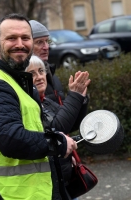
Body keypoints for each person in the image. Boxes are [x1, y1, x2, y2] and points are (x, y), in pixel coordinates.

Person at [0, 13, 77, 200]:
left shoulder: (16, 81)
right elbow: (11, 139)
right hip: (12, 194)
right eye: (11, 38)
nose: (20, 44)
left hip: (31, 192)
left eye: (25, 38)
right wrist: (58, 143)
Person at [25, 55, 91, 199]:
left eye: (41, 71)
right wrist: (75, 96)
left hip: (63, 181)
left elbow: (70, 124)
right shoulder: (30, 107)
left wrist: (82, 100)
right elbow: (56, 128)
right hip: (49, 185)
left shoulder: (46, 101)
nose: (39, 77)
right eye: (32, 74)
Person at [29, 20, 67, 105]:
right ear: (28, 46)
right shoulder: (27, 81)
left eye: (47, 41)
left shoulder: (52, 74)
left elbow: (65, 114)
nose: (46, 47)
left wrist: (81, 98)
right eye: (39, 42)